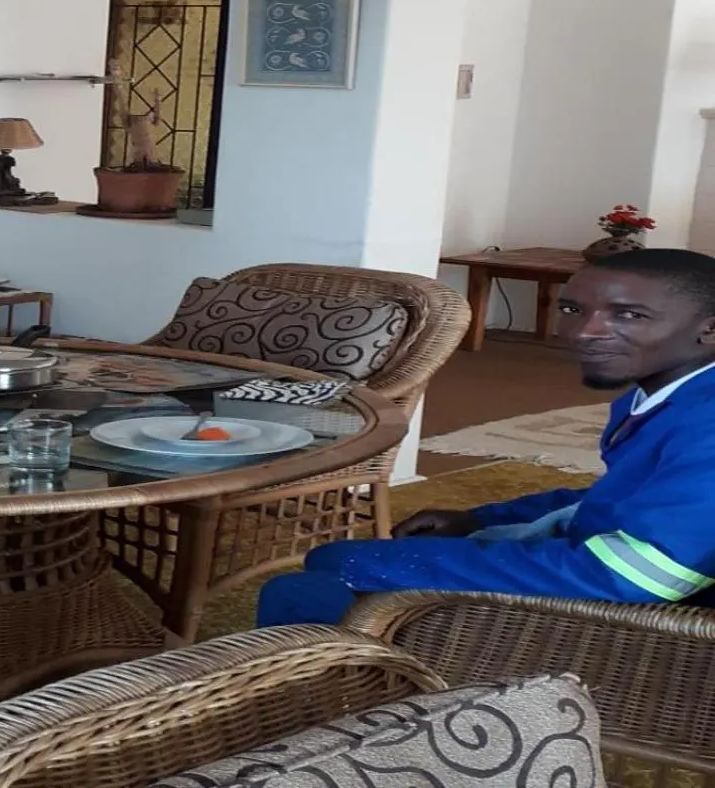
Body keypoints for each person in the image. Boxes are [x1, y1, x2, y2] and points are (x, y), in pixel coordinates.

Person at [257, 246, 715, 627]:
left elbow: (640, 577)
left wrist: (391, 566)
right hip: (619, 579)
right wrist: (481, 519)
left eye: (630, 314)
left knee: (306, 589)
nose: (585, 332)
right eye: (573, 309)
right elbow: (625, 497)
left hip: (648, 630)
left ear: (709, 328)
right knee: (334, 559)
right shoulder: (671, 397)